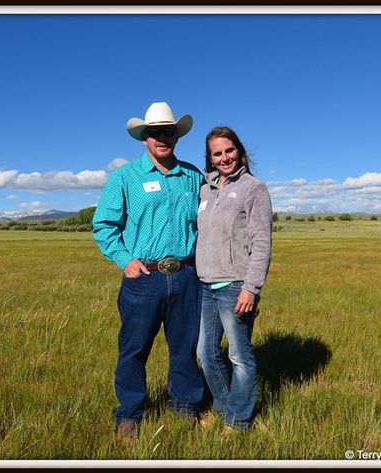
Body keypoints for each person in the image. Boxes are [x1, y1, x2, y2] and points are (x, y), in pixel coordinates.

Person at [92, 102, 206, 446]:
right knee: (134, 349)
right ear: (144, 137)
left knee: (184, 349)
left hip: (187, 276)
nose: (162, 137)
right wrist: (125, 260)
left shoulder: (193, 177)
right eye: (155, 132)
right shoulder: (124, 178)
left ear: (177, 135)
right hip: (144, 278)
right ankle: (129, 415)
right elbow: (104, 225)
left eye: (168, 131)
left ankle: (186, 408)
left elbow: (207, 225)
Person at [195, 126, 272, 433]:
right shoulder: (206, 189)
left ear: (239, 151)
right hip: (205, 285)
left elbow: (261, 241)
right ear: (210, 158)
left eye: (229, 150)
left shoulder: (254, 188)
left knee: (240, 356)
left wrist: (251, 289)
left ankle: (238, 421)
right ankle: (226, 407)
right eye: (217, 153)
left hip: (235, 286)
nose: (224, 157)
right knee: (205, 352)